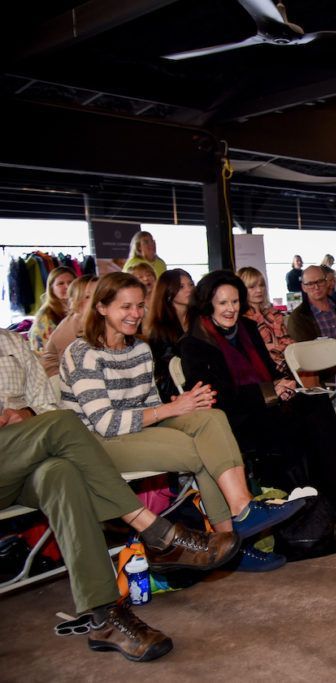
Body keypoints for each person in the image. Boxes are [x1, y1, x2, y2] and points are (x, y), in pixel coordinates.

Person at [0, 329, 240, 662]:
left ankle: (104, 617)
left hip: (26, 452)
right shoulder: (81, 351)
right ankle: (158, 533)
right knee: (65, 424)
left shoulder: (11, 342)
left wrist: (24, 416)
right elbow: (86, 419)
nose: (134, 314)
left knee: (61, 474)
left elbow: (42, 402)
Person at [59, 272, 301, 570]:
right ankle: (229, 544)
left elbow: (149, 405)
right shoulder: (82, 353)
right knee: (201, 450)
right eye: (126, 307)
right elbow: (105, 423)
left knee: (210, 417)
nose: (135, 314)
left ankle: (241, 511)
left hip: (136, 430)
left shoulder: (138, 349)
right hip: (97, 443)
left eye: (139, 305)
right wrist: (170, 410)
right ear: (102, 308)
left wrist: (177, 405)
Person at [180, 271, 336, 529]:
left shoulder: (248, 328)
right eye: (223, 303)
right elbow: (216, 396)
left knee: (317, 404)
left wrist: (282, 384)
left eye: (234, 302)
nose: (231, 309)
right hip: (233, 418)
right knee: (305, 427)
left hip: (266, 406)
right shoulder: (195, 343)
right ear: (208, 304)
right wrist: (268, 391)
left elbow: (269, 370)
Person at [143, 269, 194, 402]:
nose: (189, 289)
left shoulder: (198, 319)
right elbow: (170, 366)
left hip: (195, 381)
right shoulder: (159, 328)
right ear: (168, 292)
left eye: (191, 284)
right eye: (182, 287)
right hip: (172, 389)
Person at [238, 266, 294, 374]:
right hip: (259, 372)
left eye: (261, 285)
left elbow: (288, 342)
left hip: (285, 366)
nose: (259, 290)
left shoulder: (274, 313)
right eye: (252, 287)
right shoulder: (241, 319)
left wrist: (271, 348)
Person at [42, 275, 98, 377]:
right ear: (76, 301)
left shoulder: (92, 319)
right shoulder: (74, 326)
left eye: (99, 295)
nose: (96, 300)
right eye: (88, 297)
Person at [287, 265, 336, 342]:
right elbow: (304, 350)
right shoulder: (298, 318)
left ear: (326, 282)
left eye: (320, 281)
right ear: (303, 287)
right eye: (310, 284)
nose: (316, 287)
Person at [28, 266, 75, 353]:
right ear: (51, 288)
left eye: (70, 282)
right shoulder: (45, 316)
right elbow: (41, 351)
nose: (67, 286)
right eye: (61, 283)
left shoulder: (81, 309)